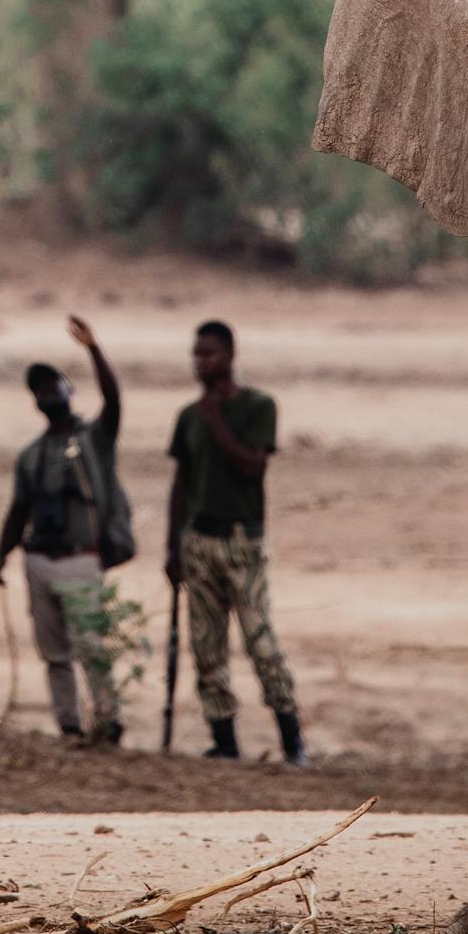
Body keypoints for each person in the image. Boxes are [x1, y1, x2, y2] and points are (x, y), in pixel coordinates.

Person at [166, 319, 306, 764]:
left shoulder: (259, 406)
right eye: (196, 354)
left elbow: (252, 466)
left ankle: (292, 741)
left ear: (229, 355)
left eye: (207, 354)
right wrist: (173, 547)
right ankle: (224, 739)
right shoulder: (188, 416)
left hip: (242, 541)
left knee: (260, 641)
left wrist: (217, 423)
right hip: (199, 540)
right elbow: (181, 483)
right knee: (207, 646)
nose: (199, 363)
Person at [0, 315, 123, 745]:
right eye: (39, 390)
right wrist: (0, 557)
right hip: (39, 559)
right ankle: (69, 726)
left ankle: (107, 722)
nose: (48, 394)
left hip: (81, 556)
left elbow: (114, 401)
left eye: (54, 385)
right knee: (54, 653)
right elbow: (17, 509)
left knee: (93, 649)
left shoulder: (93, 440)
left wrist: (93, 349)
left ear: (70, 390)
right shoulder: (31, 455)